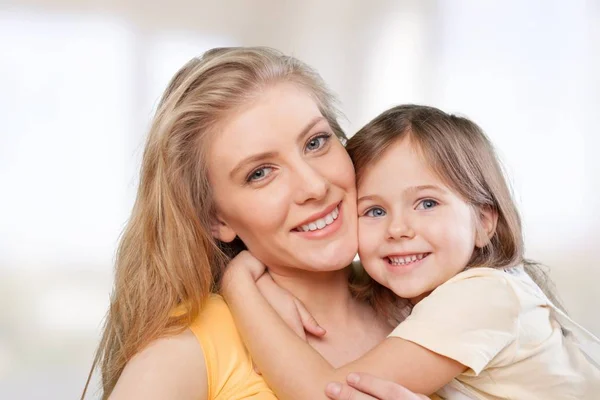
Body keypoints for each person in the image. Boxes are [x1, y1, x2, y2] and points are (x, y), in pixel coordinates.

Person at [81, 47, 429, 400]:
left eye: (316, 142)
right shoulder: (186, 351)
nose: (314, 186)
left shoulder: (427, 300)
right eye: (260, 173)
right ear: (215, 219)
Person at [222, 104, 600, 399]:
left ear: (484, 222)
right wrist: (269, 283)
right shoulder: (424, 287)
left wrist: (240, 285)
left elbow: (330, 395)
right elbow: (319, 280)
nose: (398, 229)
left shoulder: (481, 296)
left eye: (427, 204)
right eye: (374, 211)